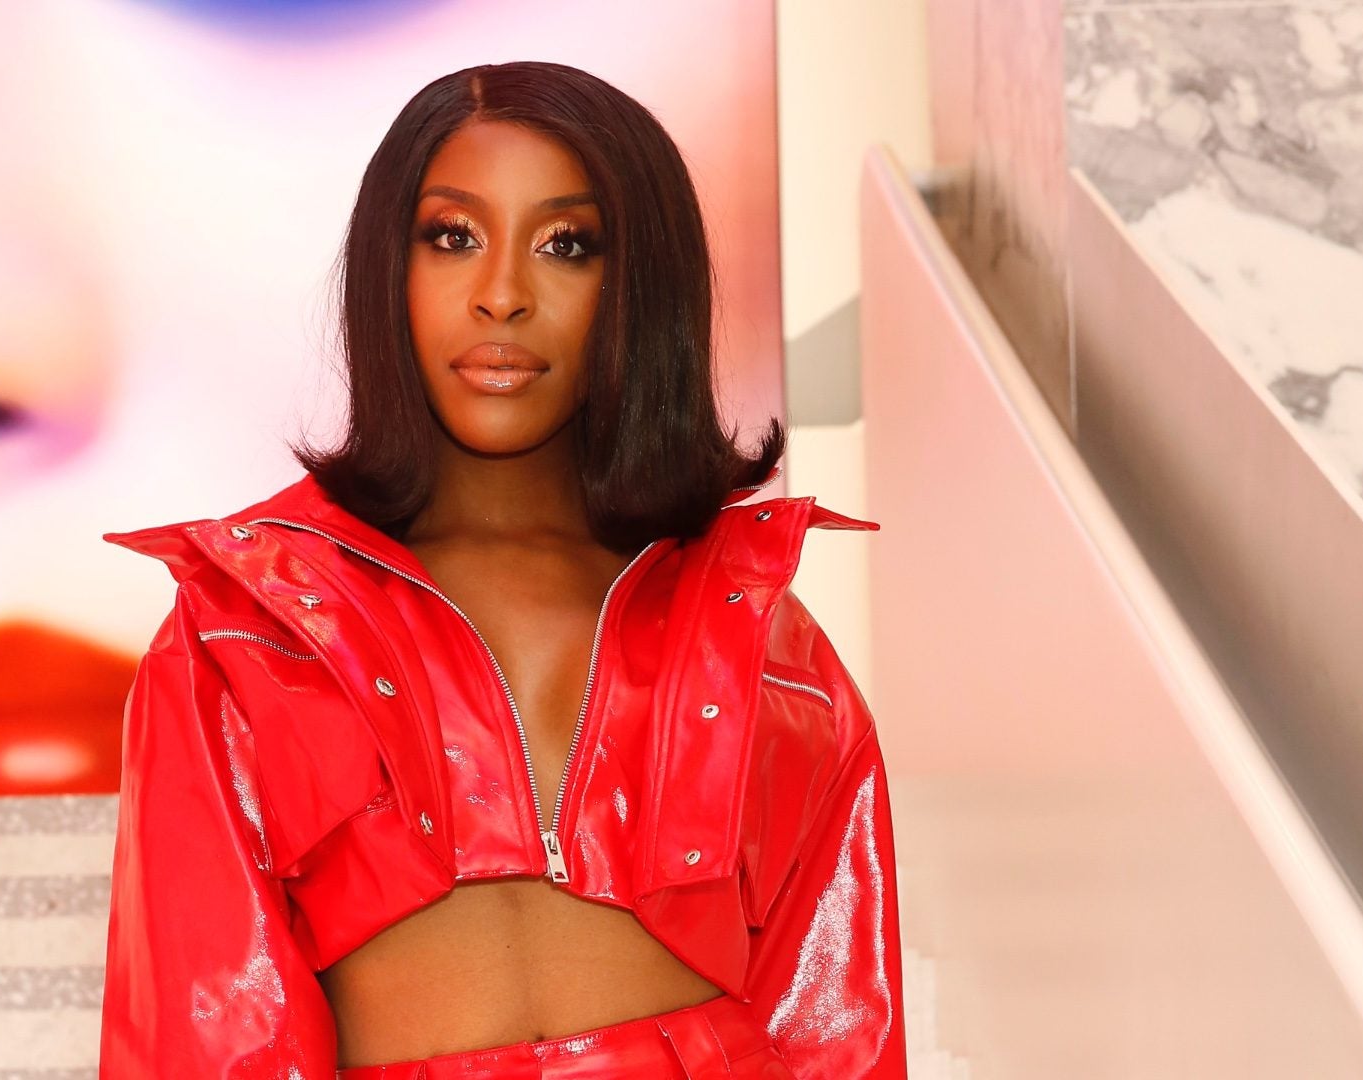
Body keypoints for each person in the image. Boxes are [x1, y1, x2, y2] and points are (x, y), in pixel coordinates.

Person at [97, 60, 905, 1079]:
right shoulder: (248, 624)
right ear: (389, 269)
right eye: (453, 236)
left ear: (638, 287)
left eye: (567, 245)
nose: (503, 296)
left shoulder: (753, 623)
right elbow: (208, 1030)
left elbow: (836, 1024)